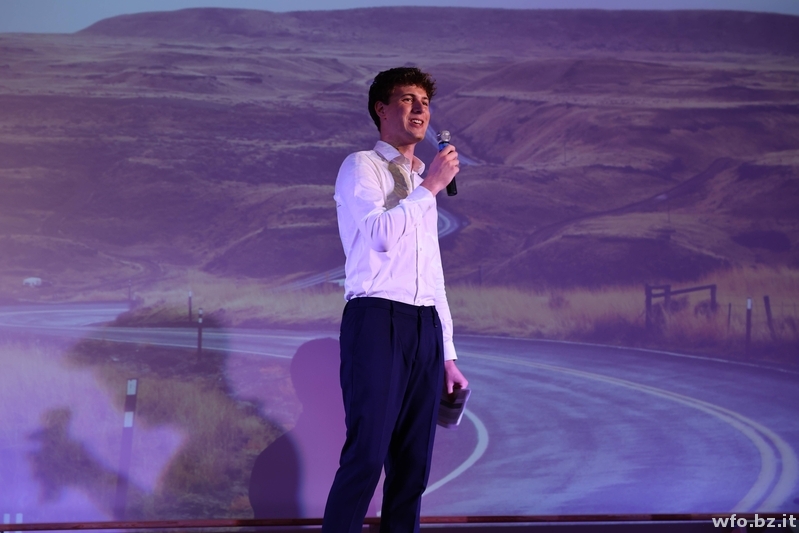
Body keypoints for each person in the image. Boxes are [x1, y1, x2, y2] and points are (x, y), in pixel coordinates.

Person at [322, 67, 468, 532]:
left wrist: (447, 354)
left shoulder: (422, 179)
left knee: (412, 468)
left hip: (425, 325)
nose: (420, 108)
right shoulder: (361, 166)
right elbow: (381, 237)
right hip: (377, 318)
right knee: (367, 455)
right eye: (407, 99)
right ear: (381, 109)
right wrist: (430, 188)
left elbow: (432, 275)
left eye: (424, 101)